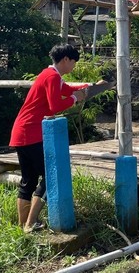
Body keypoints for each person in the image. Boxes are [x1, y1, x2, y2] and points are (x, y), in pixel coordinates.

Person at [9, 44, 88, 233]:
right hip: (32, 133)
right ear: (66, 60)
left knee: (28, 180)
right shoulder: (53, 76)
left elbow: (67, 89)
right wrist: (76, 99)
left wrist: (88, 87)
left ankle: (23, 225)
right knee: (49, 177)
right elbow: (54, 106)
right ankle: (31, 222)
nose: (74, 67)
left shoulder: (48, 74)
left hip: (21, 132)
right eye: (74, 62)